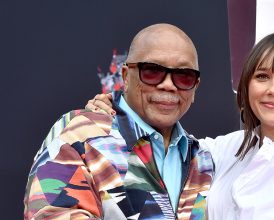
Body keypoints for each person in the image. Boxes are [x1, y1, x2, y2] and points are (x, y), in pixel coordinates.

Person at [88, 33, 274, 219]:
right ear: (246, 86)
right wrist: (116, 110)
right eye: (262, 76)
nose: (273, 89)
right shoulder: (222, 150)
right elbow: (161, 147)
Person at [24, 23, 213, 220]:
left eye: (184, 76)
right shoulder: (80, 135)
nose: (168, 85)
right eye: (152, 71)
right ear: (126, 76)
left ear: (195, 88)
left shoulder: (205, 159)